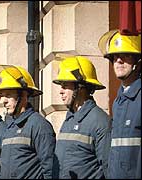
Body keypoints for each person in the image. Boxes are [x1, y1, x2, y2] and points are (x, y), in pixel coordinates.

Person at [0, 65, 56, 179]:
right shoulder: (9, 127)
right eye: (3, 95)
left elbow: (50, 170)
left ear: (23, 94)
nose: (4, 101)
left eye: (8, 95)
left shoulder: (39, 125)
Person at [52, 56, 111, 179]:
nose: (60, 91)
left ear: (80, 87)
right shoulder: (70, 119)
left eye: (65, 85)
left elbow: (108, 168)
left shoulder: (100, 122)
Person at [98, 30, 141, 179]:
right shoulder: (118, 101)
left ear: (138, 61)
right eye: (115, 57)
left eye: (126, 55)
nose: (118, 61)